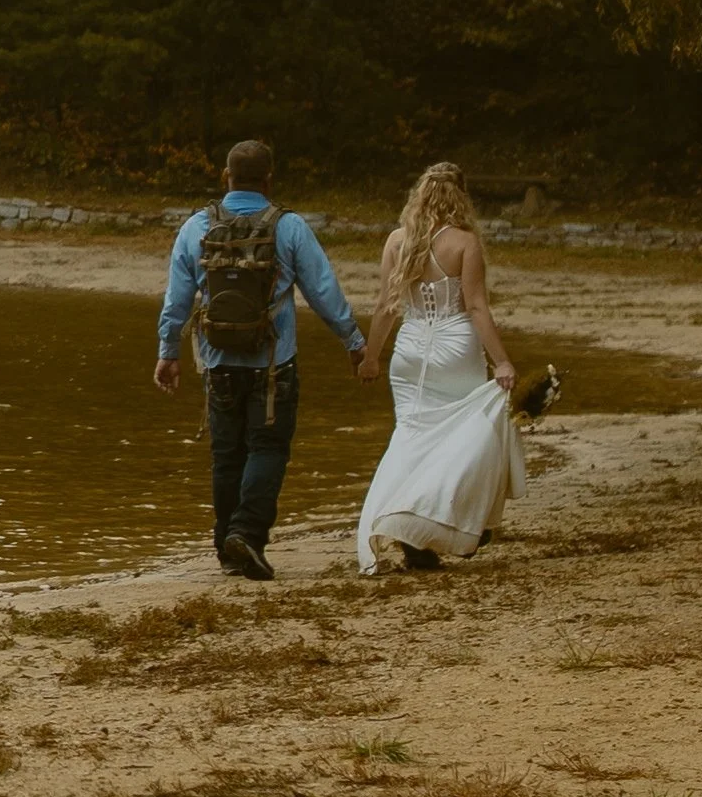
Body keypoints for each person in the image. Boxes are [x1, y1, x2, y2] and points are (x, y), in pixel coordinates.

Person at [155, 137, 365, 581]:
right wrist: (354, 342)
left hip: (217, 363)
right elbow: (323, 292)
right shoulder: (288, 227)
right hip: (274, 364)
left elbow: (177, 300)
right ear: (269, 180)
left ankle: (227, 545)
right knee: (267, 447)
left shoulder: (196, 227)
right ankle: (246, 534)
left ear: (225, 176)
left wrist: (167, 353)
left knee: (227, 453)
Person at [355, 160, 526, 574]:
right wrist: (500, 360)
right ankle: (458, 525)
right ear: (460, 196)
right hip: (455, 348)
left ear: (420, 195)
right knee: (471, 434)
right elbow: (476, 306)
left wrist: (372, 357)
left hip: (410, 353)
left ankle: (405, 526)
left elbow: (386, 306)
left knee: (410, 439)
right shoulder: (465, 242)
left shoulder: (397, 241)